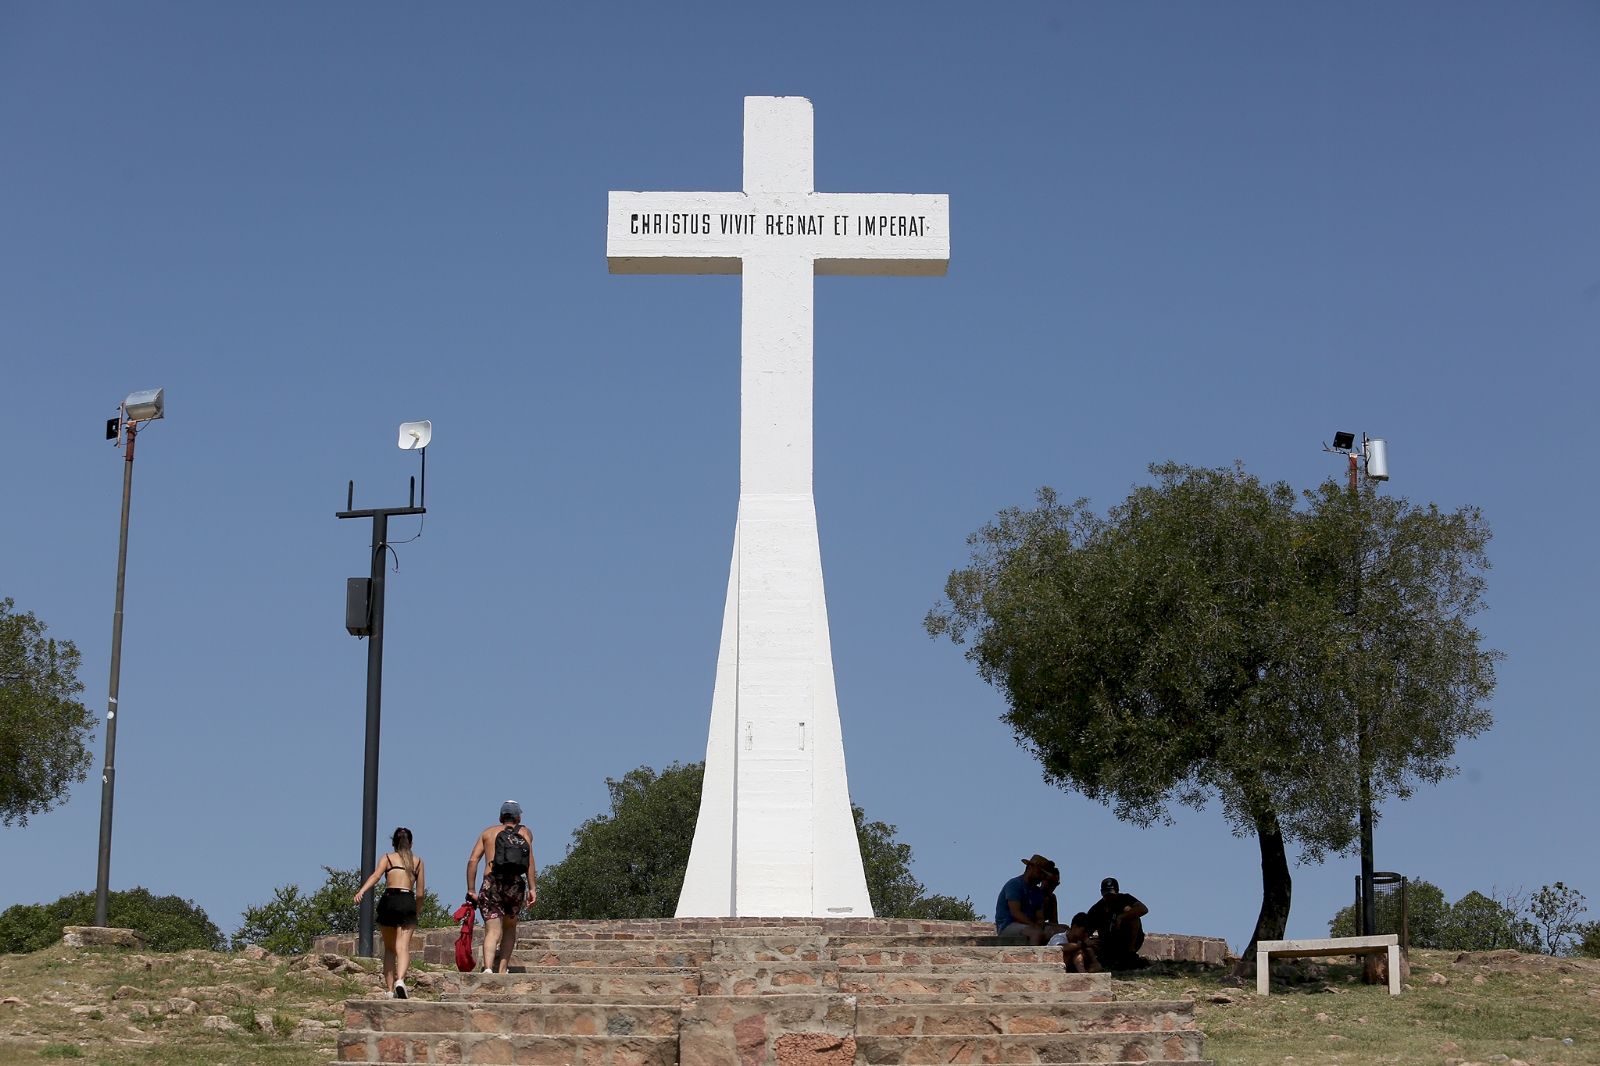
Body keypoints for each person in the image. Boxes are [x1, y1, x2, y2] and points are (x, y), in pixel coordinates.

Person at [353, 827, 426, 998]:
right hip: (407, 900)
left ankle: (389, 990)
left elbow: (376, 876)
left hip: (389, 900)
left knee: (389, 949)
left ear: (393, 843)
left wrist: (361, 891)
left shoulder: (387, 858)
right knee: (403, 947)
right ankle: (400, 980)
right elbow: (421, 893)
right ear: (411, 843)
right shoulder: (418, 862)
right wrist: (417, 910)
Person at [467, 800, 536, 974]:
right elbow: (530, 862)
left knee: (492, 929)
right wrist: (532, 888)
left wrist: (471, 889)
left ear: (500, 817)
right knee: (510, 927)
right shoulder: (525, 833)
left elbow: (473, 860)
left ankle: (488, 968)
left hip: (492, 882)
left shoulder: (488, 833)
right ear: (518, 817)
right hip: (514, 884)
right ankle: (502, 969)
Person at [1084, 876, 1149, 969]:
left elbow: (1143, 909)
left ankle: (1130, 954)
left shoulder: (1125, 899)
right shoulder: (1096, 910)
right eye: (1107, 896)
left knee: (1130, 911)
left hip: (1128, 941)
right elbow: (1086, 931)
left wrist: (1121, 917)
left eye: (1112, 895)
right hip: (1108, 944)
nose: (1109, 899)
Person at [994, 854, 1052, 944]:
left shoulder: (1037, 892)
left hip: (1028, 925)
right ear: (1030, 868)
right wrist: (1034, 926)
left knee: (1059, 931)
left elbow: (1040, 916)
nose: (1041, 877)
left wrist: (1040, 925)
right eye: (1040, 873)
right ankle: (1033, 957)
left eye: (1043, 875)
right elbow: (1015, 913)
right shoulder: (1014, 884)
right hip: (1008, 925)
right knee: (1036, 934)